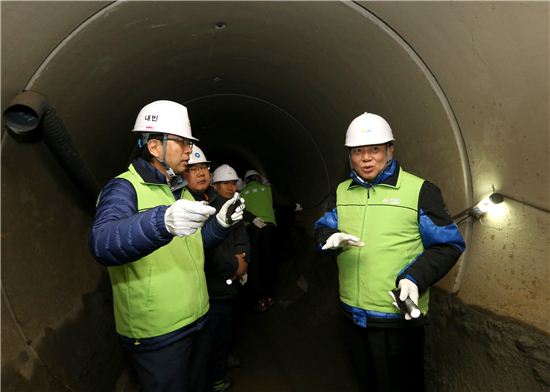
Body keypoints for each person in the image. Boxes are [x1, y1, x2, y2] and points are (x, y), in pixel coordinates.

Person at [89, 100, 245, 392]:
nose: (188, 149)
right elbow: (102, 242)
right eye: (182, 142)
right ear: (154, 147)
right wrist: (161, 222)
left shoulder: (180, 190)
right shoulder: (123, 188)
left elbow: (192, 246)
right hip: (159, 334)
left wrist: (219, 226)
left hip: (197, 319)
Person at [314, 112, 465, 392]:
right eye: (358, 151)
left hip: (396, 320)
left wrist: (415, 277)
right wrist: (329, 237)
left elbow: (449, 244)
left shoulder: (420, 191)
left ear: (390, 150)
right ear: (349, 155)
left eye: (375, 149)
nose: (367, 158)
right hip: (353, 316)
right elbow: (323, 226)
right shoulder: (342, 192)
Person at [206, 164, 250, 392]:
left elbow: (242, 237)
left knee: (225, 332)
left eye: (233, 183)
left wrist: (243, 260)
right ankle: (215, 378)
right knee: (213, 336)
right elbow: (210, 252)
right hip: (214, 288)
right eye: (226, 183)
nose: (231, 187)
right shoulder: (209, 210)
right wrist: (235, 265)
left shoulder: (236, 208)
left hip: (229, 287)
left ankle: (220, 369)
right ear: (215, 186)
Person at [240, 169, 278, 312]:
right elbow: (278, 204)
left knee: (255, 263)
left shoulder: (242, 194)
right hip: (269, 228)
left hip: (252, 229)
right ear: (257, 178)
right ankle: (269, 296)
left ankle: (259, 299)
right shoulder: (267, 189)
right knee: (270, 262)